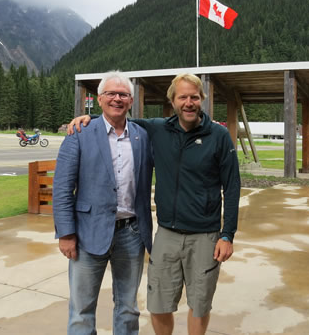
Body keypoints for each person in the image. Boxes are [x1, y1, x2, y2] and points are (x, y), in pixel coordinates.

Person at [68, 73, 241, 335]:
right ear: (173, 101)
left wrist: (227, 234)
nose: (189, 102)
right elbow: (118, 117)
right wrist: (90, 118)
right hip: (167, 234)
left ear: (202, 100)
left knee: (199, 303)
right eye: (183, 97)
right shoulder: (158, 129)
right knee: (159, 304)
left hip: (205, 235)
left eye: (194, 97)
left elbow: (232, 186)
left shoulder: (218, 135)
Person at [53, 71, 154, 334]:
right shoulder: (79, 133)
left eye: (123, 95)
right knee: (81, 311)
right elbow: (62, 188)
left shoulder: (142, 137)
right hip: (87, 234)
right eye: (111, 93)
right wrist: (66, 233)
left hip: (131, 235)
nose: (117, 99)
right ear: (99, 99)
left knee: (128, 308)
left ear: (131, 101)